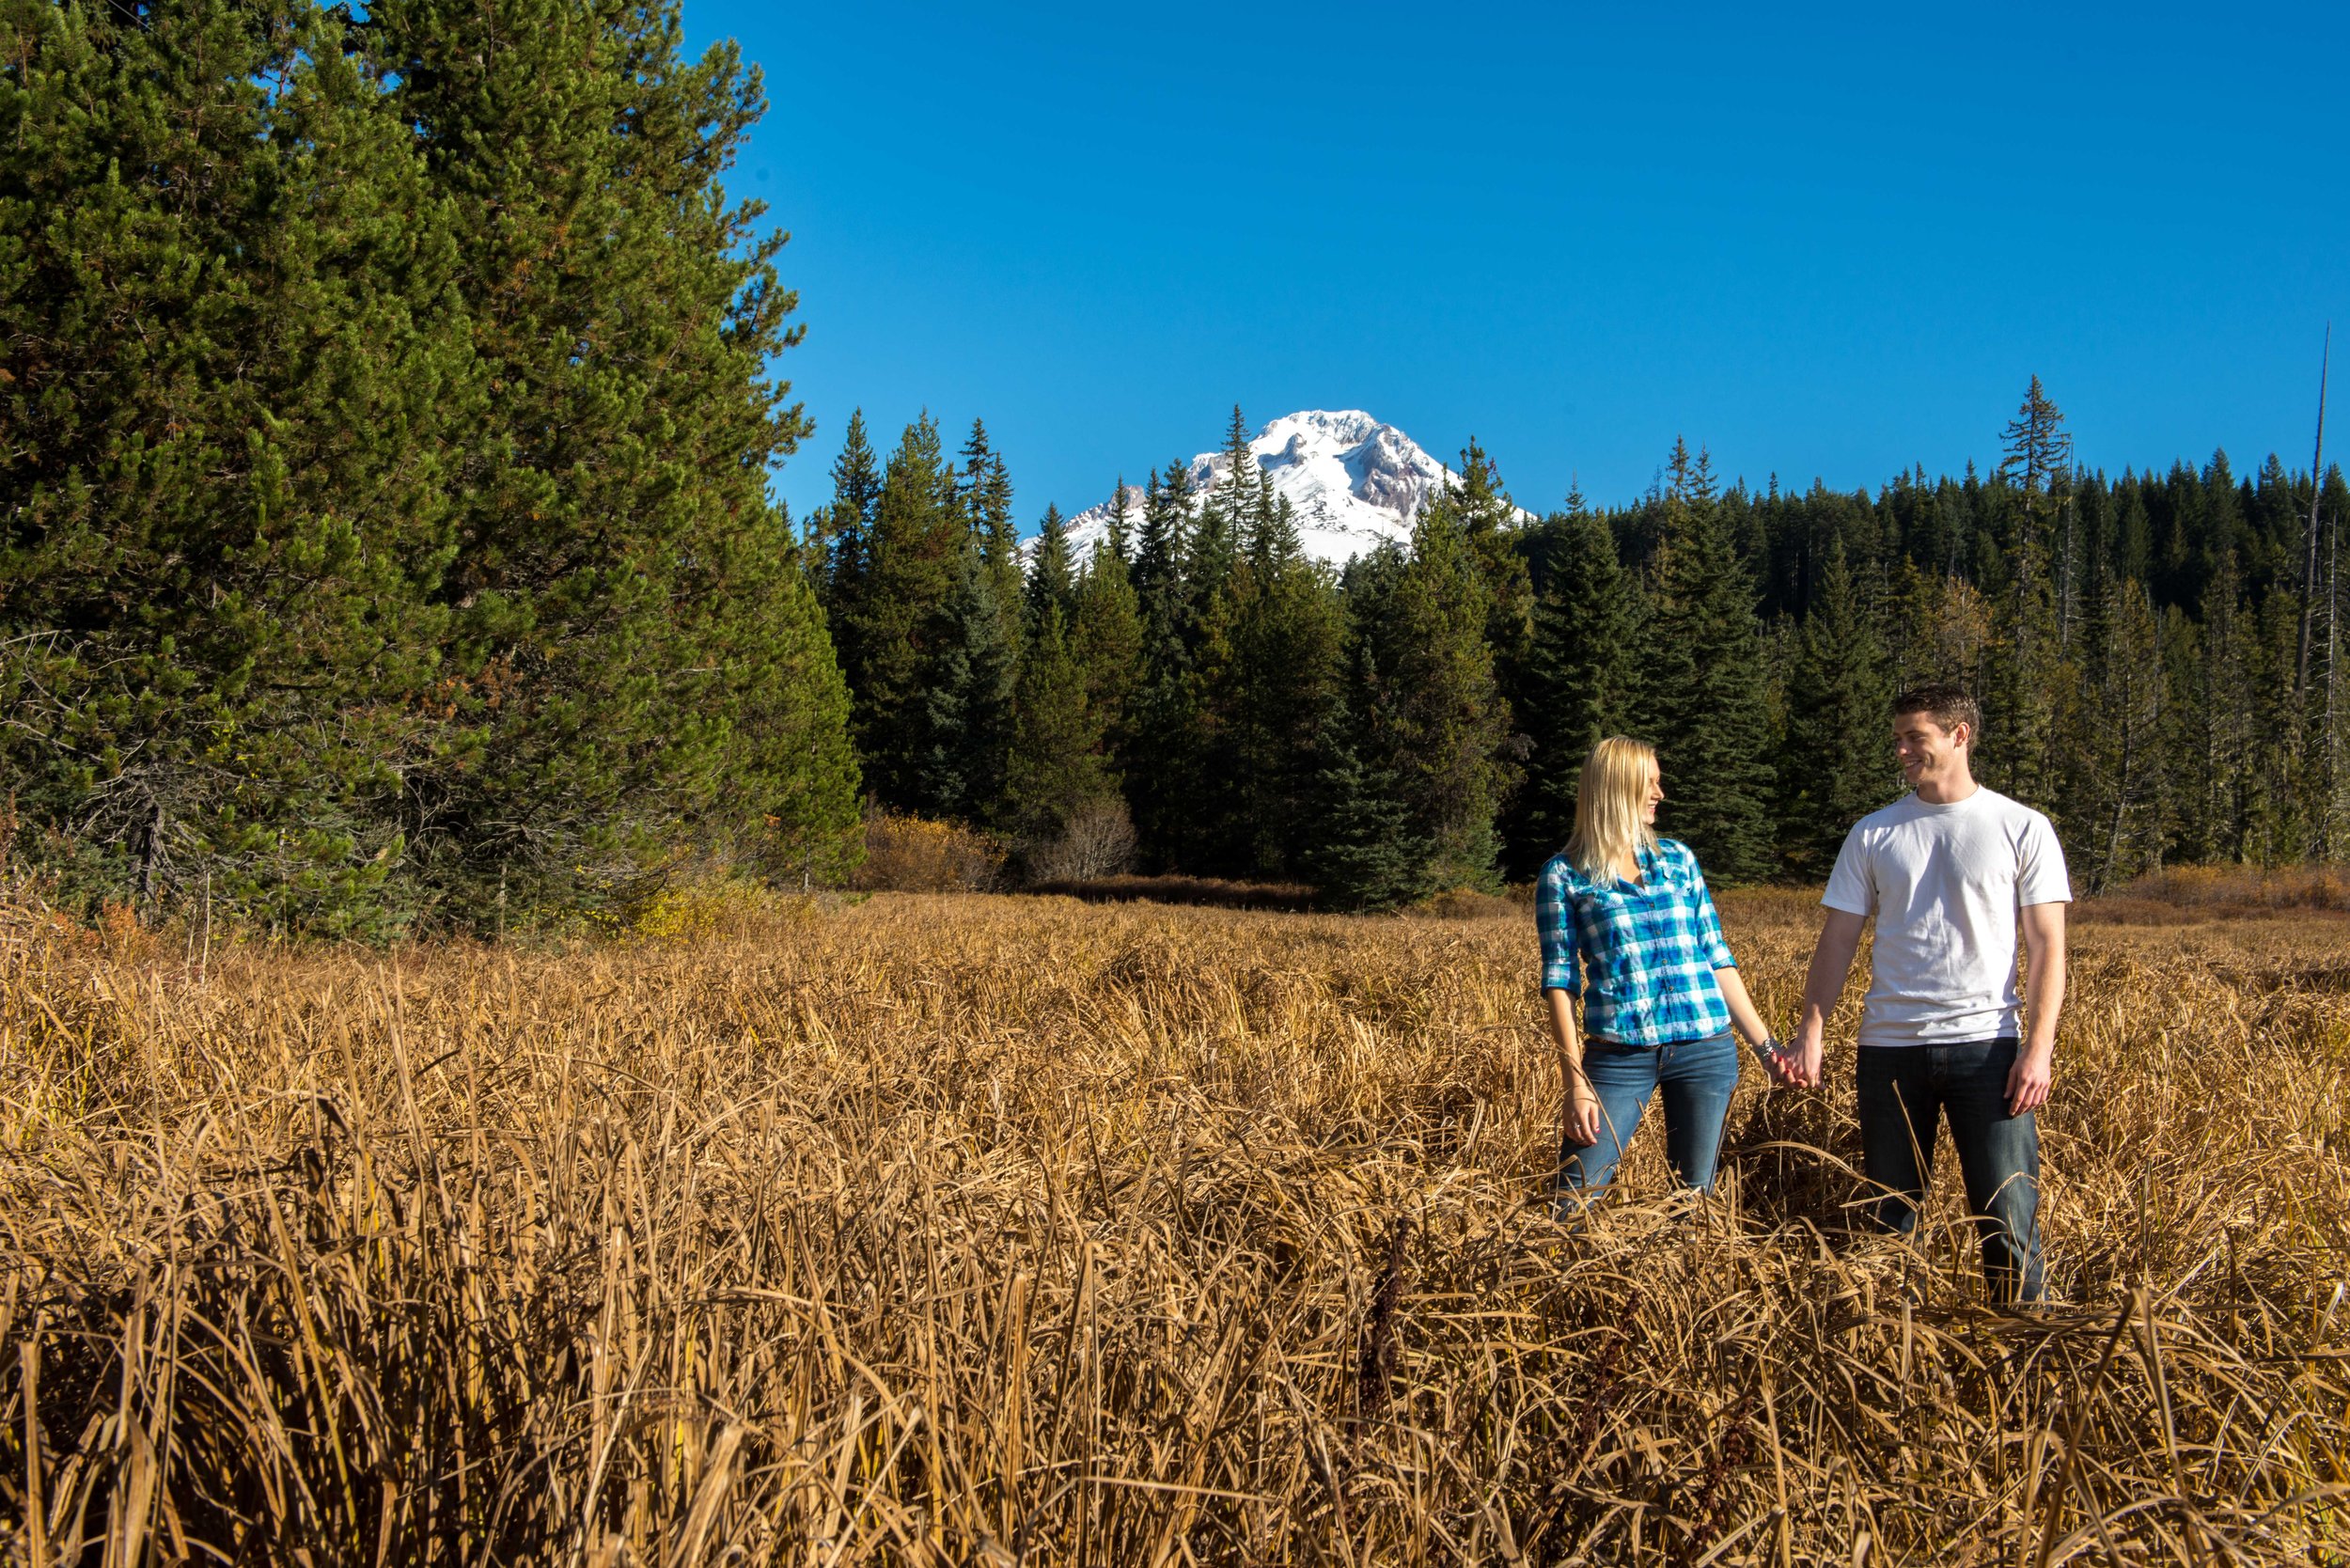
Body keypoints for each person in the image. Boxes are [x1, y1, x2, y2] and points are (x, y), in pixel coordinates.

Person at [1778, 684, 2070, 1303]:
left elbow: (2048, 946)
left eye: (1916, 737)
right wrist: (1811, 1031)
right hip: (1889, 1052)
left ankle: (2023, 1349)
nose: (1903, 750)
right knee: (1889, 1223)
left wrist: (2038, 1049)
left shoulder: (2022, 827)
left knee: (2009, 1222)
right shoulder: (1873, 834)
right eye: (1898, 740)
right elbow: (1837, 943)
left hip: (1988, 1051)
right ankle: (1893, 1355)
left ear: (1959, 735)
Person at [1536, 737, 1780, 1213]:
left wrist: (1766, 1048)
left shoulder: (1678, 860)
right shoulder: (1564, 875)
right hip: (1618, 1055)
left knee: (1694, 1204)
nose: (1660, 793)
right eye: (1650, 782)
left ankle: (1678, 1284)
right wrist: (1574, 1081)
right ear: (1617, 788)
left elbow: (1717, 957)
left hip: (1707, 1050)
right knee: (1571, 1203)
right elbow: (1559, 982)